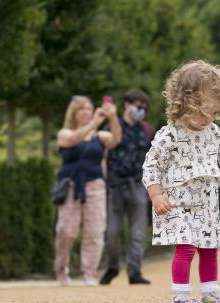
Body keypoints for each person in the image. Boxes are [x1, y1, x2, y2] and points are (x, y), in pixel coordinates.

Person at [142, 60, 220, 303]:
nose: (208, 119)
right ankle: (180, 294)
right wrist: (155, 194)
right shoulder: (169, 135)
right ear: (184, 103)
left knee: (209, 246)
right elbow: (150, 166)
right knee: (187, 245)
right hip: (176, 201)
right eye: (203, 112)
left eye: (214, 114)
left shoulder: (213, 133)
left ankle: (210, 292)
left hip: (206, 203)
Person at [55, 95, 122, 286]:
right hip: (70, 187)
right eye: (81, 109)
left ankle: (89, 272)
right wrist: (94, 123)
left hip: (96, 187)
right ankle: (61, 268)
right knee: (66, 230)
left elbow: (116, 139)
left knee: (94, 231)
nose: (85, 112)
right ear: (73, 113)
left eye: (88, 108)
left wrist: (113, 118)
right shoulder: (64, 133)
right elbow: (73, 139)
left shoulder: (99, 136)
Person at [101, 89, 154, 285]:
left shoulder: (147, 130)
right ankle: (112, 267)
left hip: (138, 184)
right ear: (126, 104)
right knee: (112, 231)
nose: (140, 110)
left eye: (143, 108)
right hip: (114, 185)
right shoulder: (111, 127)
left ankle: (135, 271)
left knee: (137, 232)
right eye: (137, 106)